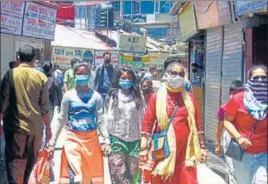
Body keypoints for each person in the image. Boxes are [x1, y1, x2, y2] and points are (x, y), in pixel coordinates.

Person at [139, 57, 207, 184]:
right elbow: (147, 123)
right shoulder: (156, 97)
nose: (177, 77)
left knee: (185, 179)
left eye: (181, 74)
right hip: (163, 148)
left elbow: (198, 124)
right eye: (174, 73)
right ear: (166, 74)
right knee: (162, 178)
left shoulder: (190, 98)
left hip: (185, 150)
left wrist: (202, 147)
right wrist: (143, 148)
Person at [48, 61, 111, 184]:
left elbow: (101, 119)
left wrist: (106, 140)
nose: (82, 76)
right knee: (75, 177)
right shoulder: (68, 96)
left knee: (89, 178)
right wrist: (52, 142)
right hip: (73, 140)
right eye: (79, 73)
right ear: (74, 74)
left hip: (91, 143)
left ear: (90, 75)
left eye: (85, 74)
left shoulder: (96, 97)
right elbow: (61, 119)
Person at [0, 45, 51, 184]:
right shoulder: (41, 77)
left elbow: (3, 104)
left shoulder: (10, 74)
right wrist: (49, 129)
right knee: (32, 164)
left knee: (14, 165)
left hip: (16, 129)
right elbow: (45, 107)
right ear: (34, 60)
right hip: (35, 130)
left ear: (18, 58)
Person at [224, 65, 267, 184]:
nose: (260, 81)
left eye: (263, 78)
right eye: (256, 78)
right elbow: (227, 121)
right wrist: (239, 137)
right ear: (249, 80)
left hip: (264, 154)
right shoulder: (238, 99)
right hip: (243, 154)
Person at [104, 67, 144, 183]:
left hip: (135, 141)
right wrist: (106, 141)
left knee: (134, 174)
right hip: (116, 139)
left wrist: (145, 141)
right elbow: (107, 118)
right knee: (118, 173)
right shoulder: (113, 96)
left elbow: (142, 118)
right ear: (118, 79)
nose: (126, 81)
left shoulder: (137, 97)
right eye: (123, 78)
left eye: (129, 78)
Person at [215, 80, 244, 184]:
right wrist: (217, 144)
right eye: (236, 93)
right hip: (231, 139)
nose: (238, 96)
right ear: (230, 94)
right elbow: (219, 127)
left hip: (245, 138)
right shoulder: (224, 108)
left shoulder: (250, 107)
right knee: (232, 168)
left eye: (241, 92)